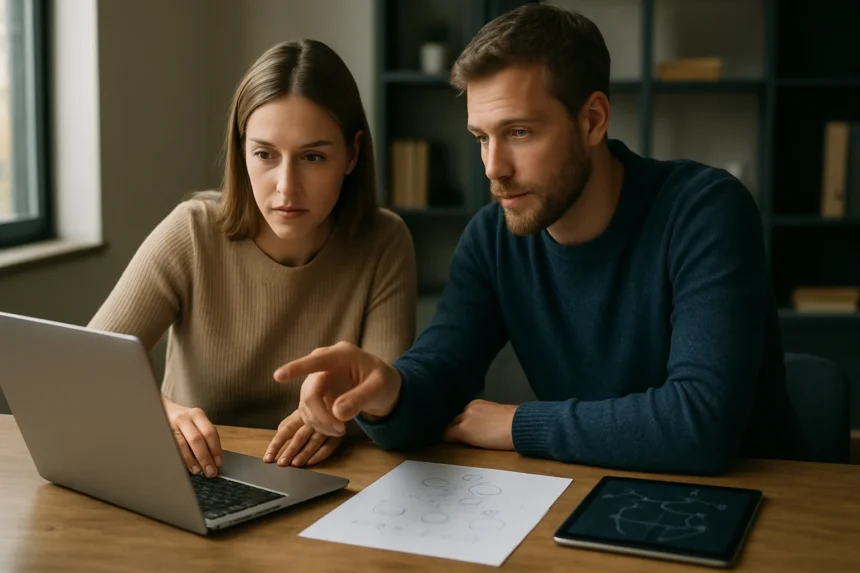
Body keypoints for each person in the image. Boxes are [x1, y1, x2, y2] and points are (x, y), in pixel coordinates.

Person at [274, 4, 800, 476]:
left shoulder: (705, 210)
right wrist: (387, 392)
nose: (493, 168)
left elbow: (699, 426)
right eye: (481, 137)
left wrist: (514, 425)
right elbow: (438, 373)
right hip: (598, 492)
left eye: (520, 132)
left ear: (592, 120)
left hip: (765, 510)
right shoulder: (494, 236)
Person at [87, 40, 417, 477]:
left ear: (352, 154)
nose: (285, 187)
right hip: (197, 475)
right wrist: (158, 413)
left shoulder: (384, 241)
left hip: (330, 482)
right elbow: (90, 370)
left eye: (313, 157)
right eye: (264, 155)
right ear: (242, 152)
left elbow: (384, 404)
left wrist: (346, 412)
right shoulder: (191, 231)